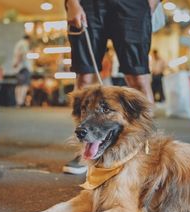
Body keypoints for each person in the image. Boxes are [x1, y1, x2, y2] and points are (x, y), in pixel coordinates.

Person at [62, 0, 158, 174]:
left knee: (138, 78)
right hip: (90, 4)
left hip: (133, 5)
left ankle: (147, 146)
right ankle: (86, 149)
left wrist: (151, 3)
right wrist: (72, 3)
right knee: (84, 76)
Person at [12, 35, 32, 107]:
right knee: (24, 85)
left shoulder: (18, 44)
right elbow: (21, 54)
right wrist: (17, 63)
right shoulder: (24, 44)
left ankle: (18, 101)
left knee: (19, 85)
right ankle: (20, 101)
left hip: (19, 68)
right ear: (28, 40)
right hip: (24, 67)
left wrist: (15, 64)